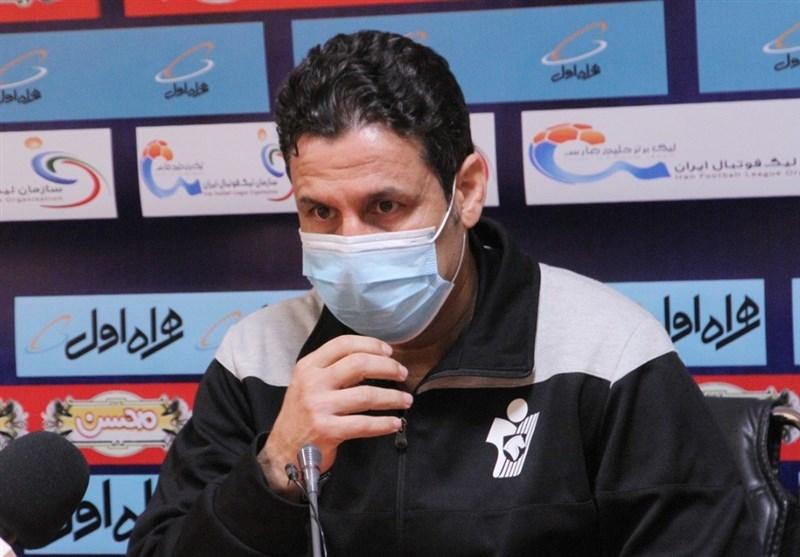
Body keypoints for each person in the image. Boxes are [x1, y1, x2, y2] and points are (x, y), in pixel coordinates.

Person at [128, 30, 757, 556]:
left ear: (468, 191)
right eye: (320, 212)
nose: (351, 243)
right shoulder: (257, 359)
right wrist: (277, 468)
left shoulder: (606, 351)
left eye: (385, 206)